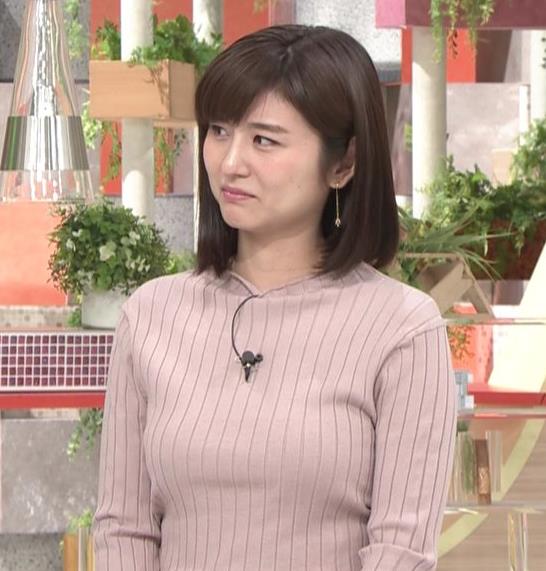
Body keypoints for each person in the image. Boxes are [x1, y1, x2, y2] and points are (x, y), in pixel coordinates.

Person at [93, 24, 456, 571]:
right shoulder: (151, 315)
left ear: (343, 163)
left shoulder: (402, 327)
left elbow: (401, 550)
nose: (230, 162)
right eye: (220, 131)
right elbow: (125, 529)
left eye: (264, 140)